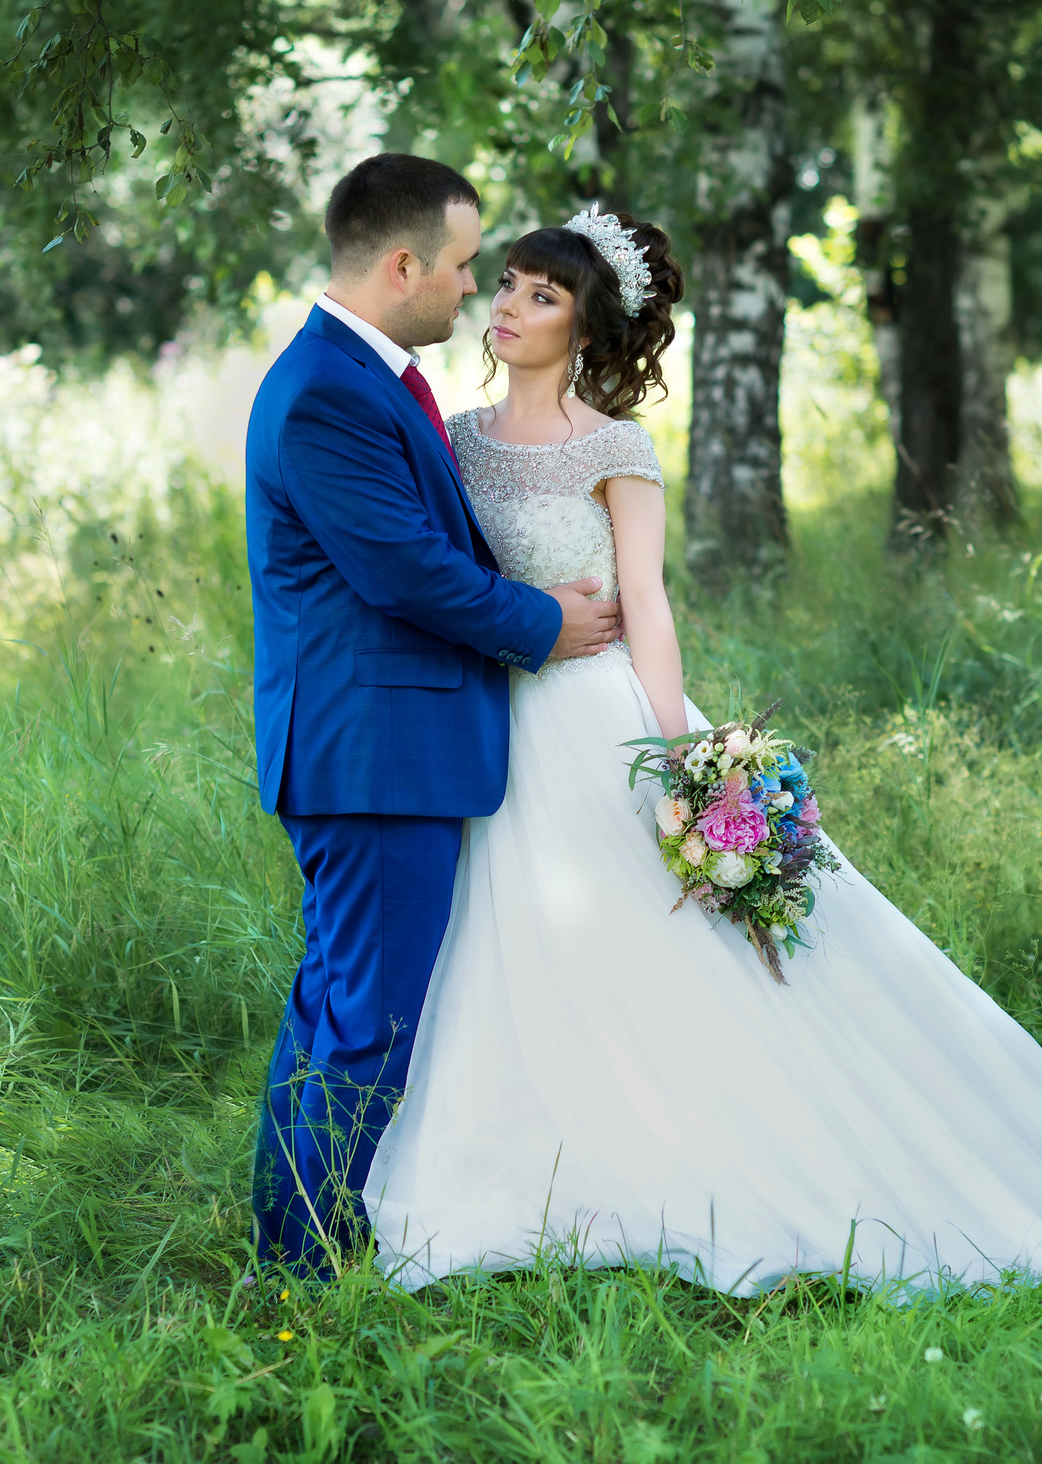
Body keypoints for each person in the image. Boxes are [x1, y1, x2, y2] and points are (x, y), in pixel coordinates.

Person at [362, 205, 1042, 1296]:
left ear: (586, 326)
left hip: (601, 719)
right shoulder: (454, 439)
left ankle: (693, 1155)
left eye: (541, 293)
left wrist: (687, 768)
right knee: (522, 951)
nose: (509, 305)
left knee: (665, 955)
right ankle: (540, 1152)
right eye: (506, 282)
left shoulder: (614, 445)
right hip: (497, 724)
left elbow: (648, 607)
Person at [243, 154, 625, 1276]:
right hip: (372, 756)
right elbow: (405, 570)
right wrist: (542, 622)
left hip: (380, 748)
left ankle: (295, 1232)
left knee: (336, 1002)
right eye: (463, 266)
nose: (473, 290)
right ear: (404, 262)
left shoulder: (369, 377)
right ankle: (309, 1260)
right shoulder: (324, 392)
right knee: (368, 1018)